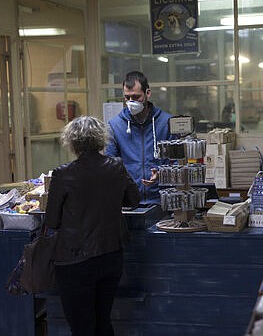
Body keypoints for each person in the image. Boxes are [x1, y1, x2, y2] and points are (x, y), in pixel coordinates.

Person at [44, 116, 140, 336]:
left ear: (72, 142)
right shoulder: (116, 167)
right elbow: (133, 201)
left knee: (82, 327)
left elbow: (52, 221)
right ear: (100, 140)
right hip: (110, 256)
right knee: (103, 322)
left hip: (75, 261)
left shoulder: (63, 174)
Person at [105, 71, 174, 205]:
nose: (131, 102)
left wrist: (162, 173)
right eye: (127, 97)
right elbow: (109, 164)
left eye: (136, 97)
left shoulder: (166, 123)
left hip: (162, 200)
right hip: (129, 200)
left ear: (147, 93)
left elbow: (178, 161)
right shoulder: (115, 126)